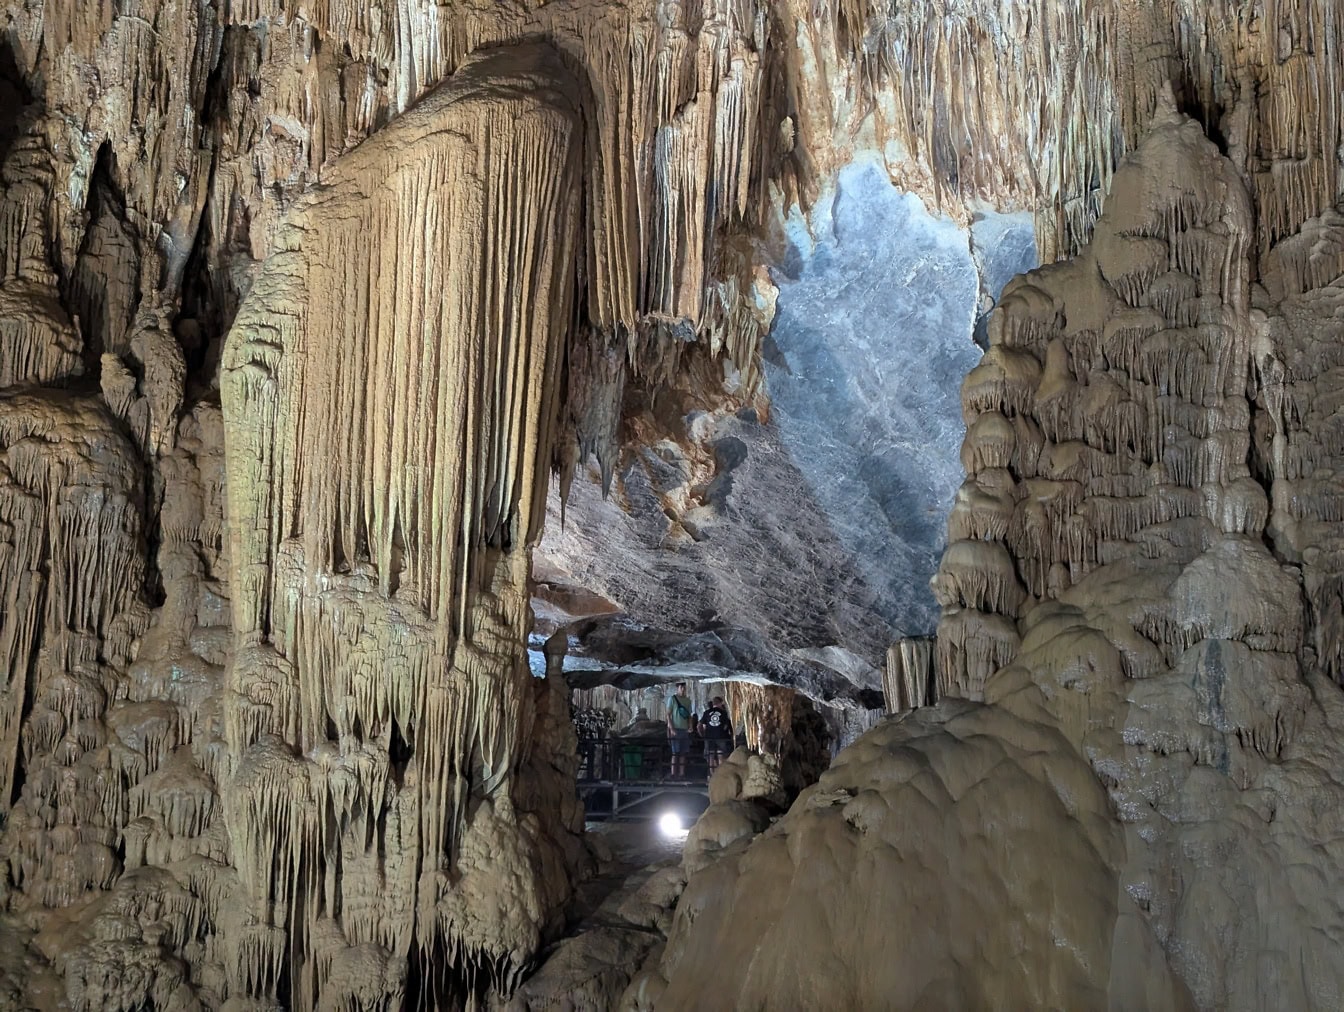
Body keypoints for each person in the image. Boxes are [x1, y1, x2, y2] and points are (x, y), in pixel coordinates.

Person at [665, 681, 694, 780]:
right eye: (681, 687)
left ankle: (681, 774)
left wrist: (690, 726)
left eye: (684, 687)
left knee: (683, 753)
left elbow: (689, 715)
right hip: (675, 729)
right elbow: (668, 714)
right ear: (677, 688)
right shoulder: (672, 699)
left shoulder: (687, 701)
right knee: (675, 752)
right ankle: (673, 774)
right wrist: (671, 728)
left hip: (684, 729)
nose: (683, 689)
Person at [698, 696, 733, 776]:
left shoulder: (706, 713)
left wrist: (702, 734)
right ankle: (721, 776)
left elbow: (699, 725)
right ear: (720, 703)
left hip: (709, 737)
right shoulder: (723, 713)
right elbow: (726, 726)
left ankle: (712, 775)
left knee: (711, 756)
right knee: (721, 756)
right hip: (721, 737)